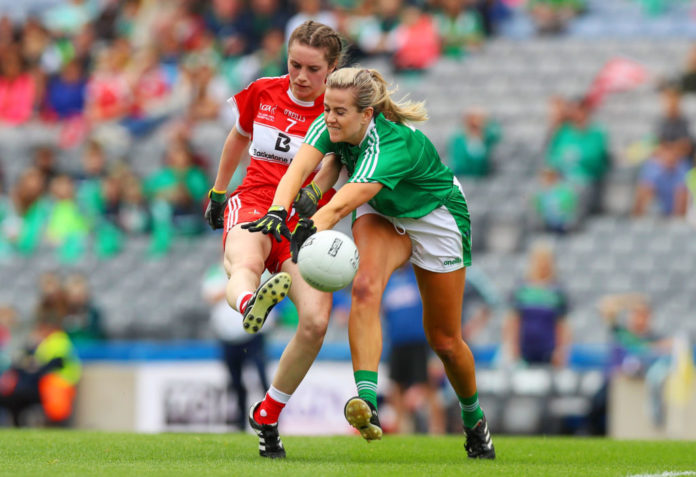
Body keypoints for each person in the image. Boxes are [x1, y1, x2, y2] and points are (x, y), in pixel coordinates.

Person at [248, 67, 496, 459]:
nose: (329, 117)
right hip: (383, 213)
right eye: (327, 108)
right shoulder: (328, 124)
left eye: (340, 111)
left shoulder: (389, 143)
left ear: (367, 115)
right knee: (365, 286)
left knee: (445, 341)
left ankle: (474, 420)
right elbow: (298, 169)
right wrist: (279, 212)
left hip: (435, 219)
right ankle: (368, 402)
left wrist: (308, 229)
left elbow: (347, 197)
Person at [202, 20, 344, 459]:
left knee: (316, 321)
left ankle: (267, 411)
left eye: (312, 69)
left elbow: (335, 166)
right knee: (242, 260)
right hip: (256, 199)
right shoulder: (263, 91)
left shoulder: (339, 110)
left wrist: (311, 201)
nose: (301, 76)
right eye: (294, 64)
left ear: (332, 68)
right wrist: (219, 190)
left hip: (305, 216)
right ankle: (250, 305)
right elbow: (238, 137)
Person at [202, 263, 269, 431]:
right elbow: (211, 296)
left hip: (254, 334)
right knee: (235, 381)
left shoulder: (257, 269)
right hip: (227, 336)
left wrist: (233, 287)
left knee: (261, 377)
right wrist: (236, 286)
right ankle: (240, 423)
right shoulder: (214, 271)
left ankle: (269, 418)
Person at [500, 240, 571, 368]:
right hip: (524, 352)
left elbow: (562, 324)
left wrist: (561, 351)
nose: (543, 264)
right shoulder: (521, 289)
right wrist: (512, 347)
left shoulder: (558, 291)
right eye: (539, 260)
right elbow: (512, 321)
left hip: (549, 352)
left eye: (546, 260)